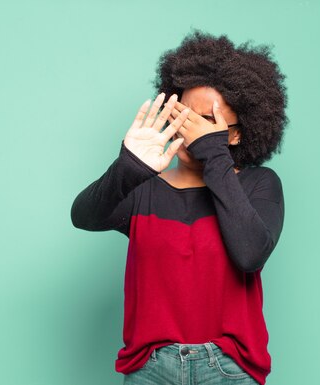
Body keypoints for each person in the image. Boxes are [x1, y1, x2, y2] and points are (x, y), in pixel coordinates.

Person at [71, 30, 288, 385]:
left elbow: (250, 254)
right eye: (183, 117)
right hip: (151, 370)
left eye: (205, 122)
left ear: (235, 133)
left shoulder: (258, 185)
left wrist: (214, 153)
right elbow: (84, 216)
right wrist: (127, 167)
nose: (189, 132)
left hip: (228, 370)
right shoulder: (145, 190)